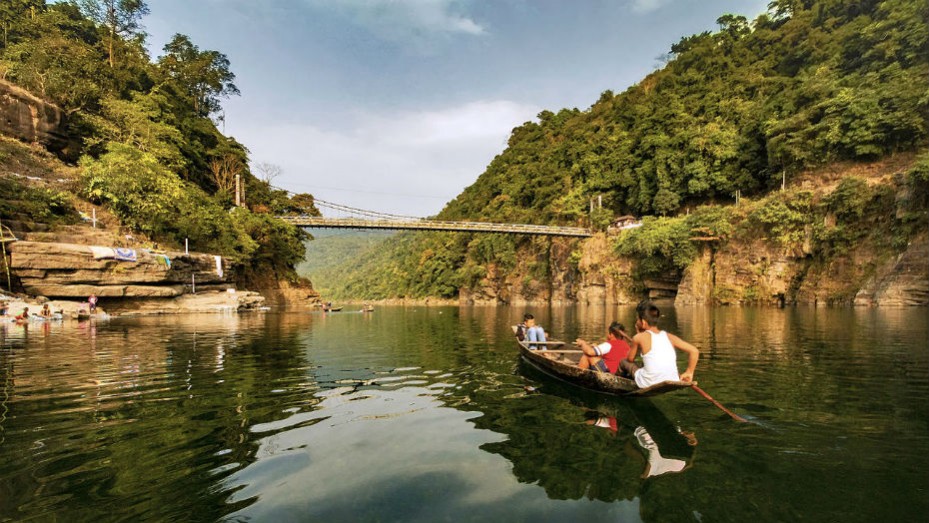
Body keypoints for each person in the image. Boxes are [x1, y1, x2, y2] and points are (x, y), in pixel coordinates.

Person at [619, 300, 699, 387]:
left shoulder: (638, 337)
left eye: (638, 319)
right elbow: (694, 351)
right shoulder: (669, 337)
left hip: (649, 382)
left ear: (644, 322)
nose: (636, 322)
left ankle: (619, 382)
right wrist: (689, 372)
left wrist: (638, 335)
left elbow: (630, 359)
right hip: (673, 378)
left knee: (623, 362)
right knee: (642, 365)